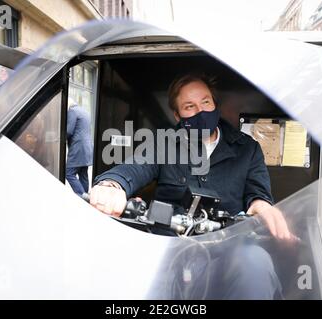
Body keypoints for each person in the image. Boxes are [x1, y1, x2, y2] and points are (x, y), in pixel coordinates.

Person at [89, 73, 296, 299]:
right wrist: (111, 186)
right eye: (190, 106)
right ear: (177, 115)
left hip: (228, 251)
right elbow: (134, 168)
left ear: (215, 105)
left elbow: (258, 195)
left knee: (255, 262)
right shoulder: (163, 144)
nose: (201, 111)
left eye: (206, 102)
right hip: (170, 252)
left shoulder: (247, 149)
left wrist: (261, 206)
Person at [66, 98, 94, 196]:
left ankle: (81, 195)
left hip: (78, 148)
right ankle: (86, 196)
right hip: (87, 148)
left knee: (68, 173)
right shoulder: (84, 111)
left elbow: (68, 131)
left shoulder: (73, 111)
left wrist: (59, 137)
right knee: (83, 174)